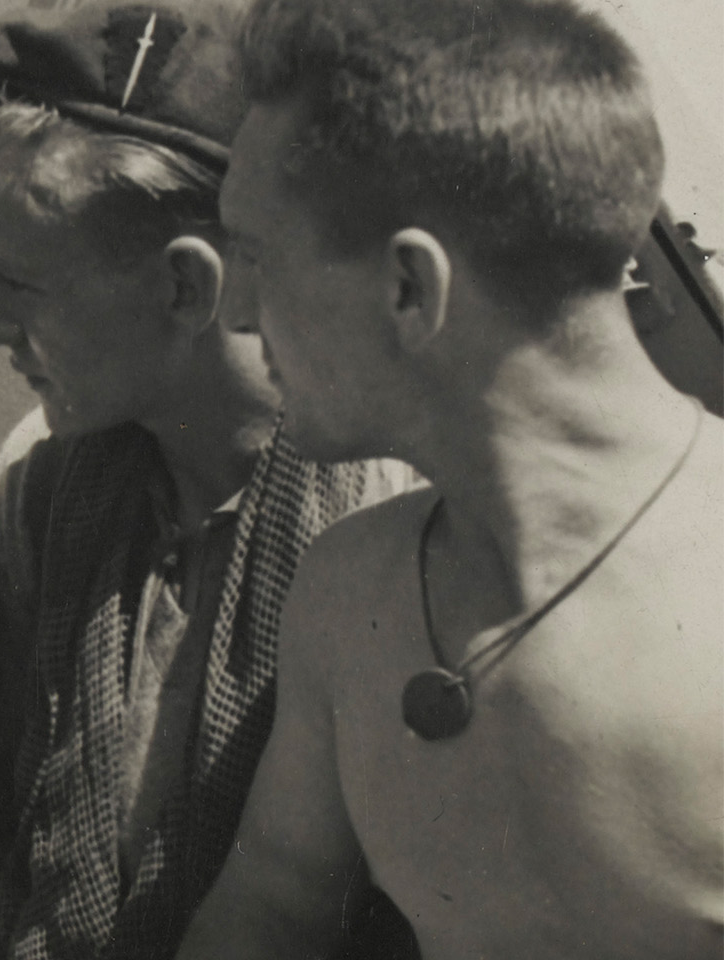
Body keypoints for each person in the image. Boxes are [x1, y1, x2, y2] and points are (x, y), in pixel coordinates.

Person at [178, 0, 724, 957]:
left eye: (258, 257)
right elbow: (266, 920)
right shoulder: (352, 593)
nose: (237, 312)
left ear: (408, 290)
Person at [0, 4, 418, 959]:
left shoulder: (392, 514)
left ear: (187, 288)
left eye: (19, 284)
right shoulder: (38, 482)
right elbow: (6, 831)